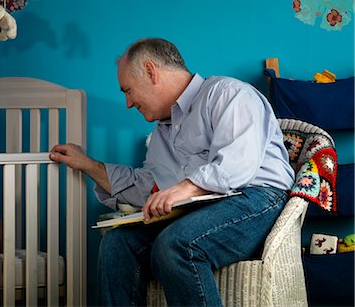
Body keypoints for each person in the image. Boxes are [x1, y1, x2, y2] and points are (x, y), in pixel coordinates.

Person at [49, 38, 294, 306]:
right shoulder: (164, 131)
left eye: (127, 90)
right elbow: (149, 187)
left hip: (255, 198)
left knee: (176, 244)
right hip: (202, 208)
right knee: (117, 245)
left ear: (152, 72)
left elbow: (238, 163)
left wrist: (185, 187)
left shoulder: (228, 93)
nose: (128, 103)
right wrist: (88, 165)